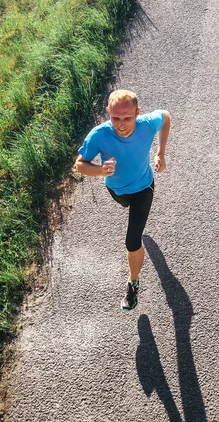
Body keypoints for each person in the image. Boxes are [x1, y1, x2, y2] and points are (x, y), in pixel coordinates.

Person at [75, 89, 171, 311]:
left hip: (143, 187)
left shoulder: (147, 124)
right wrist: (100, 171)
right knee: (124, 205)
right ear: (108, 112)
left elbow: (165, 116)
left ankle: (133, 283)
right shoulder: (98, 135)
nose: (121, 124)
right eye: (115, 117)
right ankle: (139, 239)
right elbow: (80, 164)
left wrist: (161, 152)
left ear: (138, 113)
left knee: (132, 239)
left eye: (128, 118)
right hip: (117, 190)